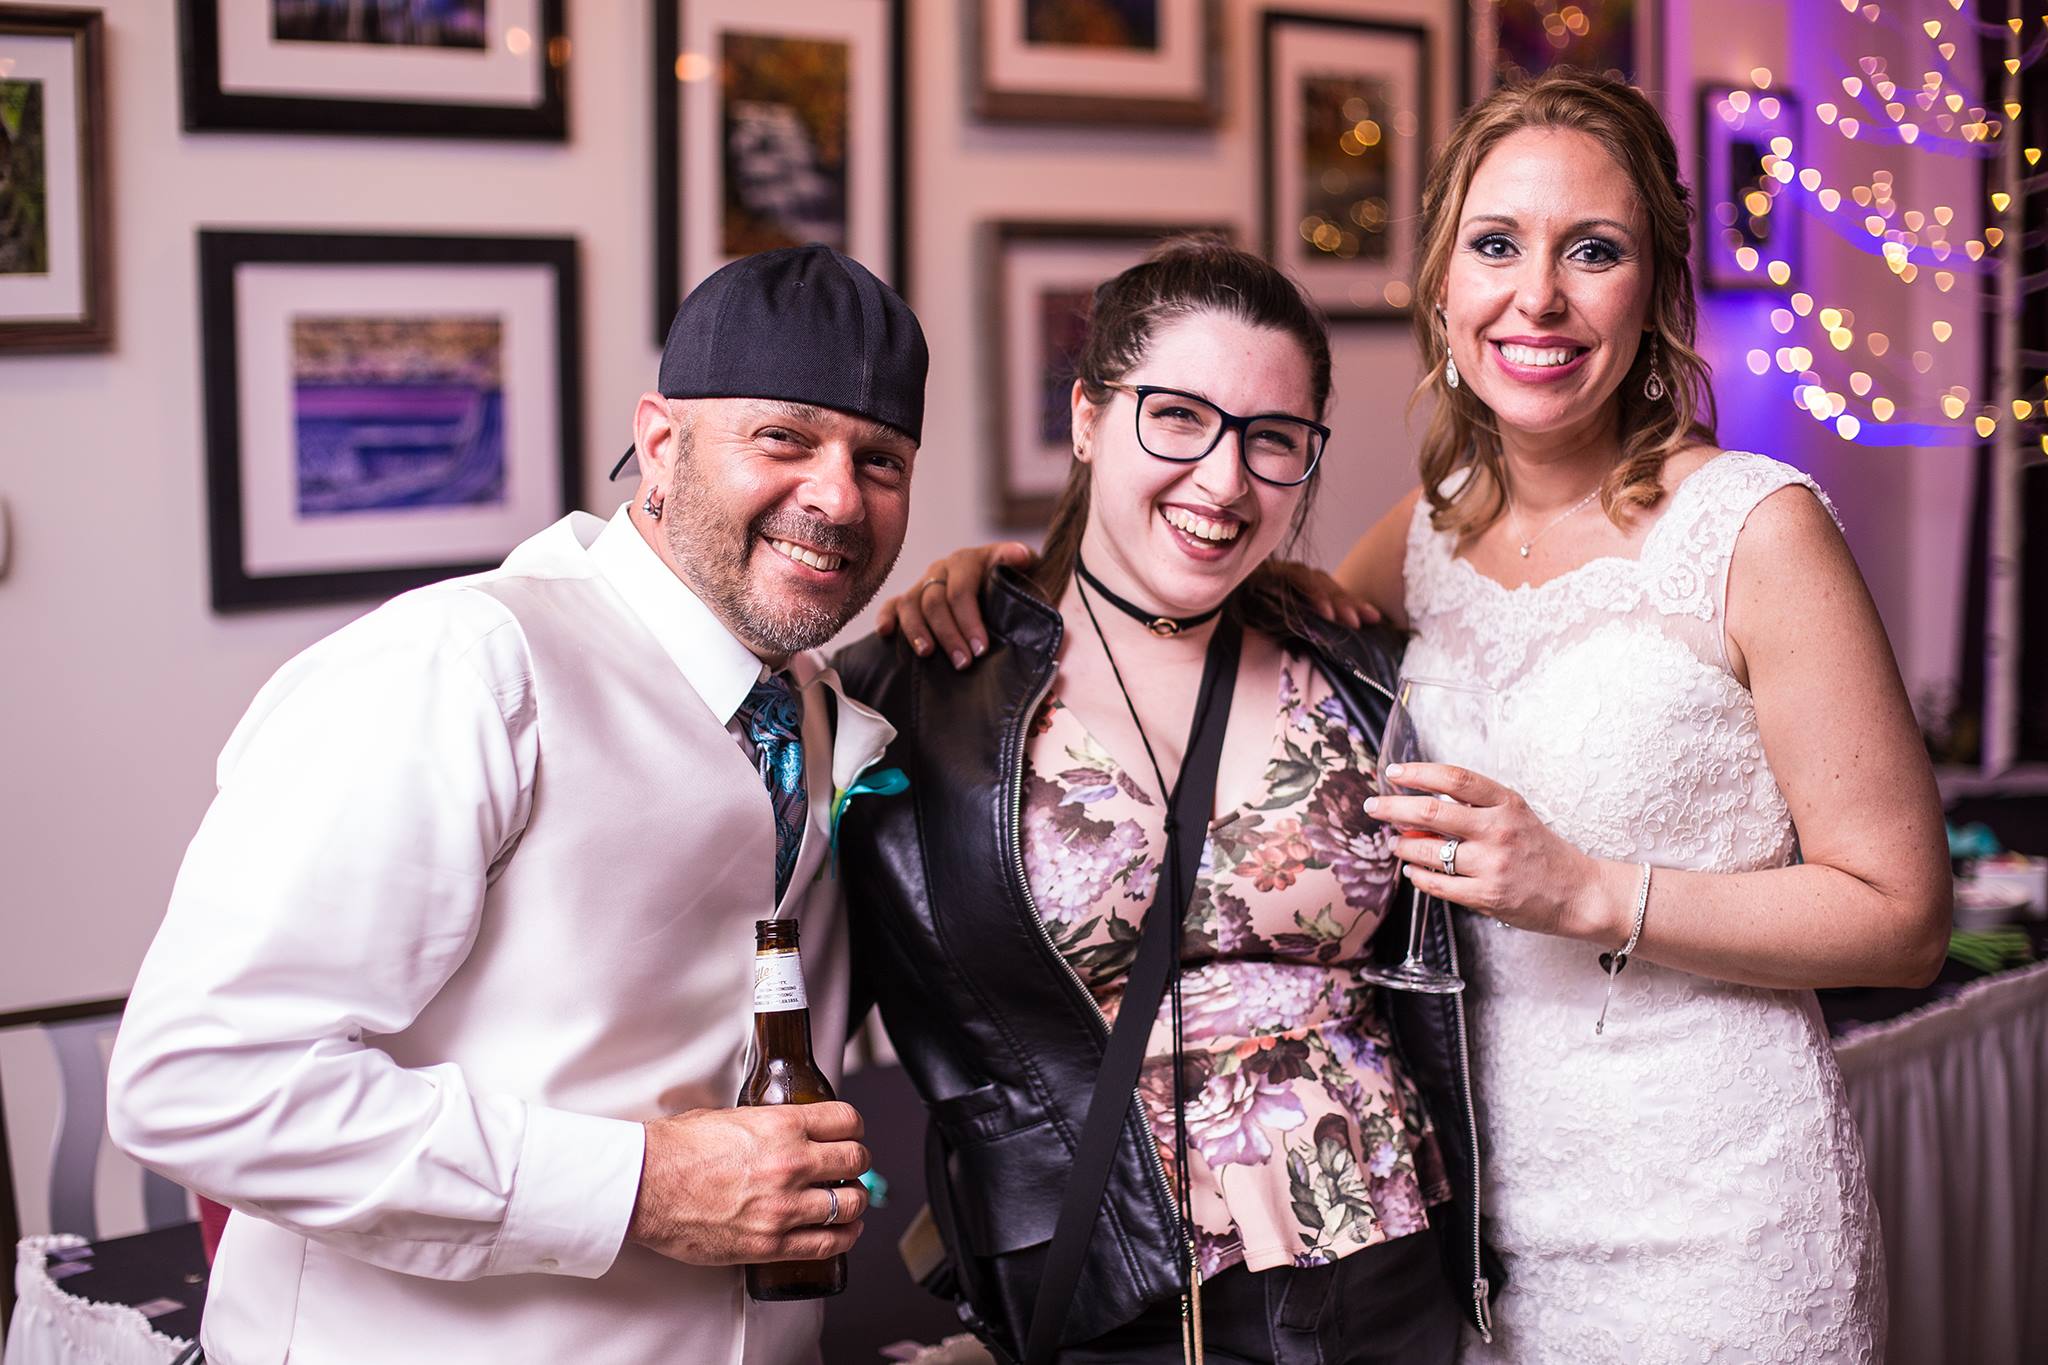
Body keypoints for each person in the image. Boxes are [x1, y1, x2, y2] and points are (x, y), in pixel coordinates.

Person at [882, 72, 1952, 1363]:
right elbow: (1211, 588)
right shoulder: (1428, 534)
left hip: (1710, 1201)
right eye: (1497, 245)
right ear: (1445, 285)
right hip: (1466, 1226)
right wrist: (1015, 579)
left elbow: (1902, 918)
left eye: (1594, 252)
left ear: (1655, 289)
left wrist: (1591, 890)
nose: (1537, 296)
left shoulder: (1756, 529)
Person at [107, 243, 927, 1364]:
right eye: (782, 437)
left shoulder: (814, 709)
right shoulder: (463, 664)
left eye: (878, 461)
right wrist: (637, 1186)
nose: (835, 496)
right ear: (659, 442)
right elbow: (198, 1083)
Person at [835, 235, 1489, 1365]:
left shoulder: (1358, 666)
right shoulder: (913, 694)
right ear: (1088, 416)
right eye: (1177, 418)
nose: (1224, 482)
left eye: (1271, 441)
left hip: (1387, 1279)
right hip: (1109, 1297)